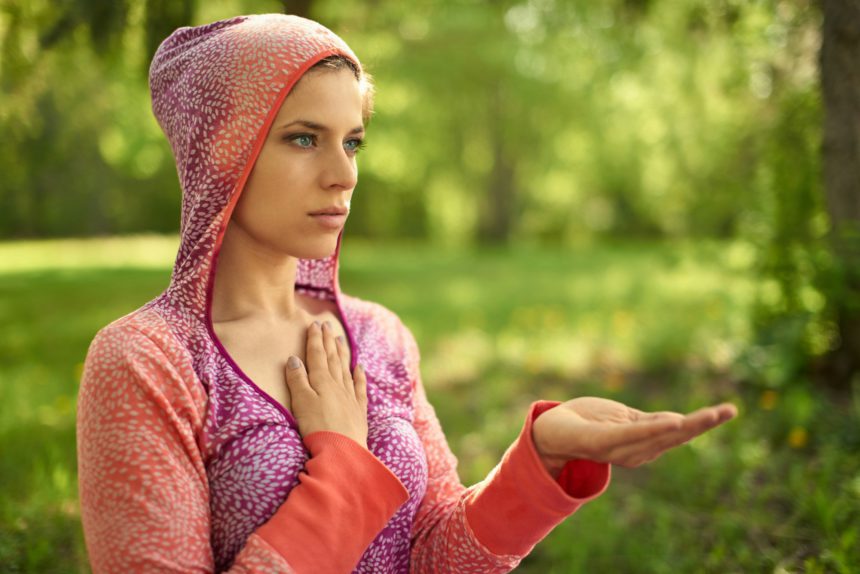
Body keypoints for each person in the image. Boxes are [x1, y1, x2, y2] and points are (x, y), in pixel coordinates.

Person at [76, 13, 737, 574]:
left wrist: (542, 457)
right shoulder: (147, 363)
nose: (343, 176)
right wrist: (341, 467)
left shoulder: (378, 336)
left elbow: (436, 553)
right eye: (303, 139)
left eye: (353, 143)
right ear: (220, 153)